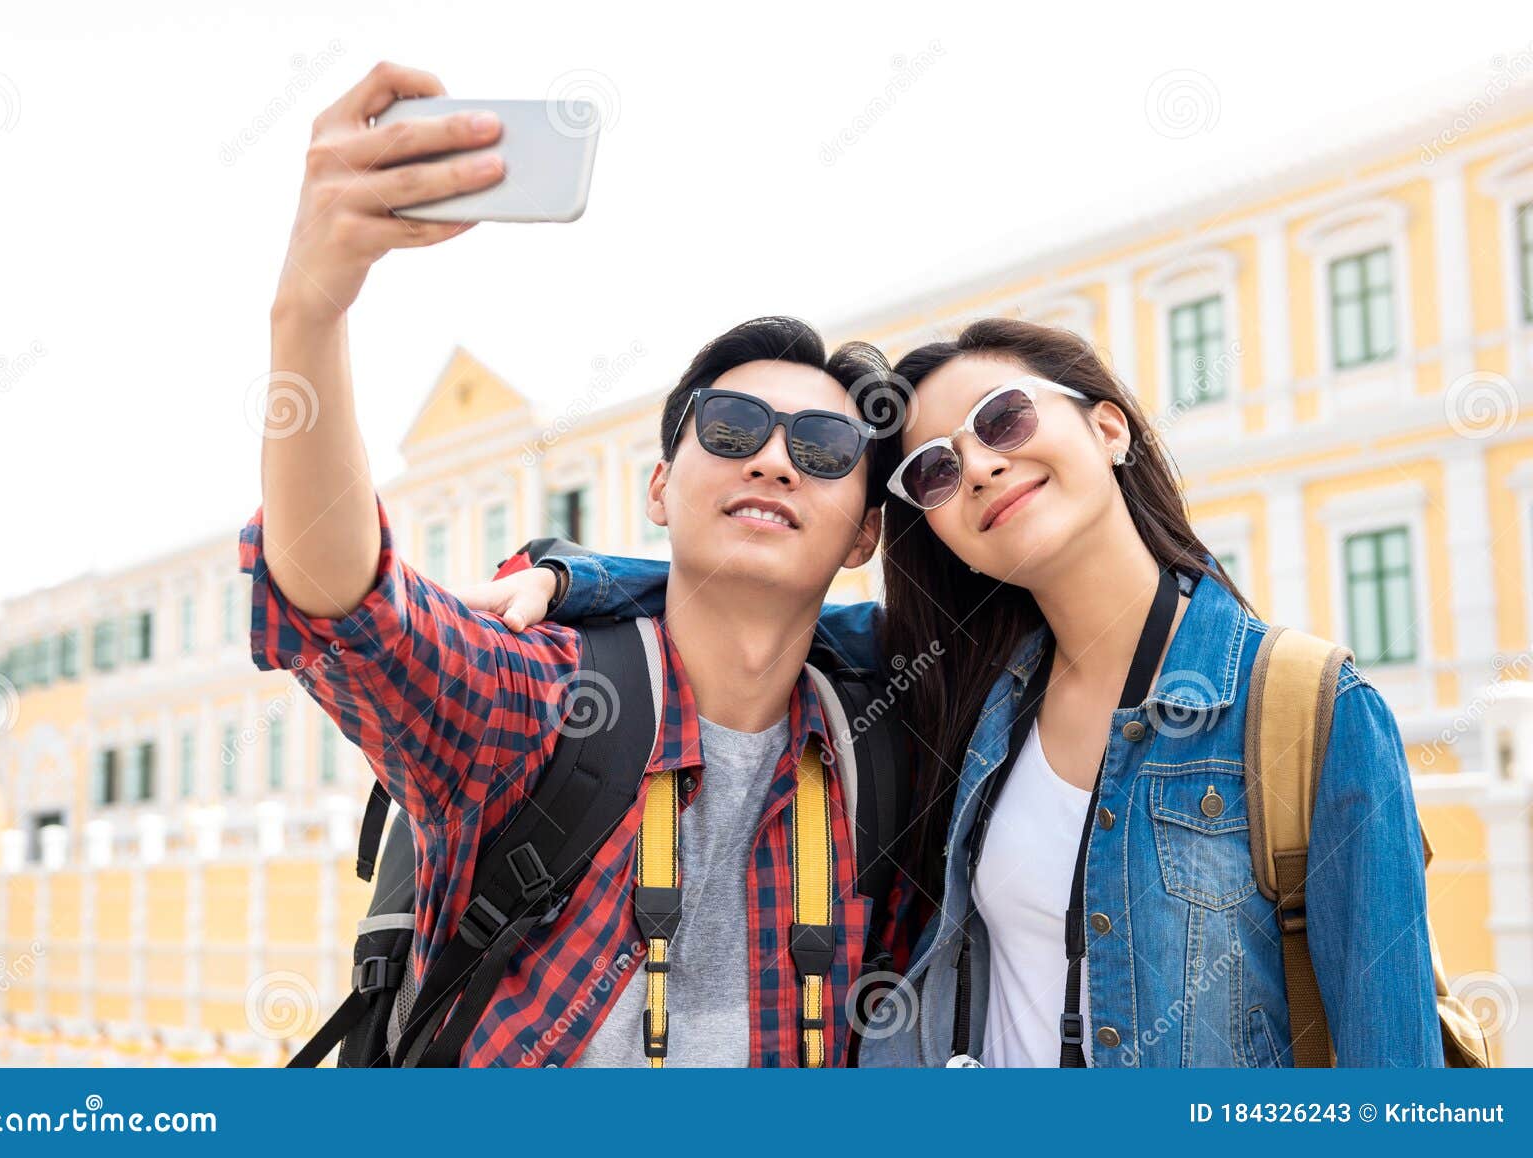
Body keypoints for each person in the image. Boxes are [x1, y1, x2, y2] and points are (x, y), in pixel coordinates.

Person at [475, 316, 1445, 1067]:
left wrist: (575, 575)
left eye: (1005, 420)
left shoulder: (1307, 713)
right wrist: (573, 578)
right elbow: (751, 590)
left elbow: (1395, 1090)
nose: (977, 465)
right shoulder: (971, 688)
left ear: (1105, 426)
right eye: (932, 471)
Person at [245, 59, 918, 1068]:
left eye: (823, 450)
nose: (774, 458)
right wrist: (309, 309)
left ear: (864, 533)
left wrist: (580, 572)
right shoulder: (550, 706)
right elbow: (346, 608)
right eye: (732, 429)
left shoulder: (892, 749)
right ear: (659, 490)